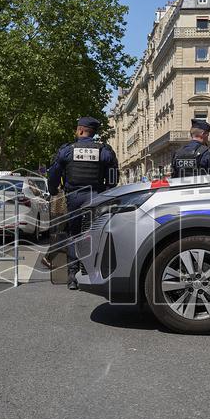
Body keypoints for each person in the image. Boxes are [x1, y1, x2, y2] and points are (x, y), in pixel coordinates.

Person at [46, 116, 119, 290]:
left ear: (80, 131)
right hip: (96, 197)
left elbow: (54, 173)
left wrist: (53, 190)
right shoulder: (104, 151)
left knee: (74, 234)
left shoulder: (67, 150)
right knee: (95, 233)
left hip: (74, 197)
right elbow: (113, 177)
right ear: (93, 133)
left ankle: (72, 275)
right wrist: (107, 191)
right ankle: (92, 270)